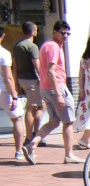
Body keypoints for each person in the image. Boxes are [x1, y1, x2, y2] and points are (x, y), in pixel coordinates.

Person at [24, 20, 79, 165]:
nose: (65, 36)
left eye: (68, 33)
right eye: (62, 33)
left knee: (54, 121)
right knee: (68, 122)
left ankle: (32, 144)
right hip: (56, 87)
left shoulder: (47, 45)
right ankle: (69, 155)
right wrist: (59, 94)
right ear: (54, 32)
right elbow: (50, 71)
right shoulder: (53, 47)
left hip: (45, 88)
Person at [13, 21, 42, 160]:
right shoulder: (32, 46)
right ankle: (31, 137)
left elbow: (14, 66)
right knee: (33, 107)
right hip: (32, 80)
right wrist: (44, 78)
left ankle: (35, 134)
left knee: (36, 106)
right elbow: (37, 65)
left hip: (21, 79)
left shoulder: (17, 46)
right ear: (34, 30)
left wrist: (15, 83)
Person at [0, 30, 23, 162]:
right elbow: (8, 77)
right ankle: (19, 151)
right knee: (17, 119)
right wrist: (14, 95)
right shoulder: (4, 53)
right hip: (4, 91)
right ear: (3, 36)